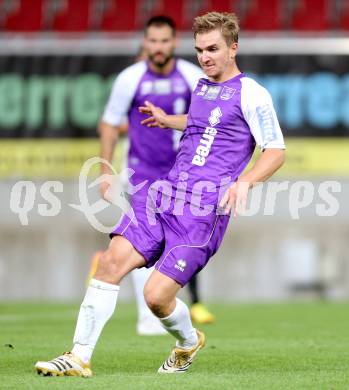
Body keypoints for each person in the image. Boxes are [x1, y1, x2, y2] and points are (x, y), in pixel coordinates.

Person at [35, 11, 285, 377]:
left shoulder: (252, 93)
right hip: (164, 194)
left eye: (213, 49)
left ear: (234, 48)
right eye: (200, 50)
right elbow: (203, 123)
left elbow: (276, 150)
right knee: (109, 264)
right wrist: (170, 120)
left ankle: (187, 342)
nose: (205, 57)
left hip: (202, 213)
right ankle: (78, 356)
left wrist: (244, 182)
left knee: (156, 297)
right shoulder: (202, 85)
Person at [96, 16, 214, 335]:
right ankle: (148, 317)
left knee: (177, 241)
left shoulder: (192, 77)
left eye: (164, 41)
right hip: (142, 174)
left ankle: (169, 304)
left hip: (183, 177)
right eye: (153, 41)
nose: (158, 47)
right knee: (141, 239)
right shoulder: (130, 78)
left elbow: (209, 122)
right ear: (145, 43)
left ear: (174, 43)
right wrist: (105, 168)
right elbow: (109, 123)